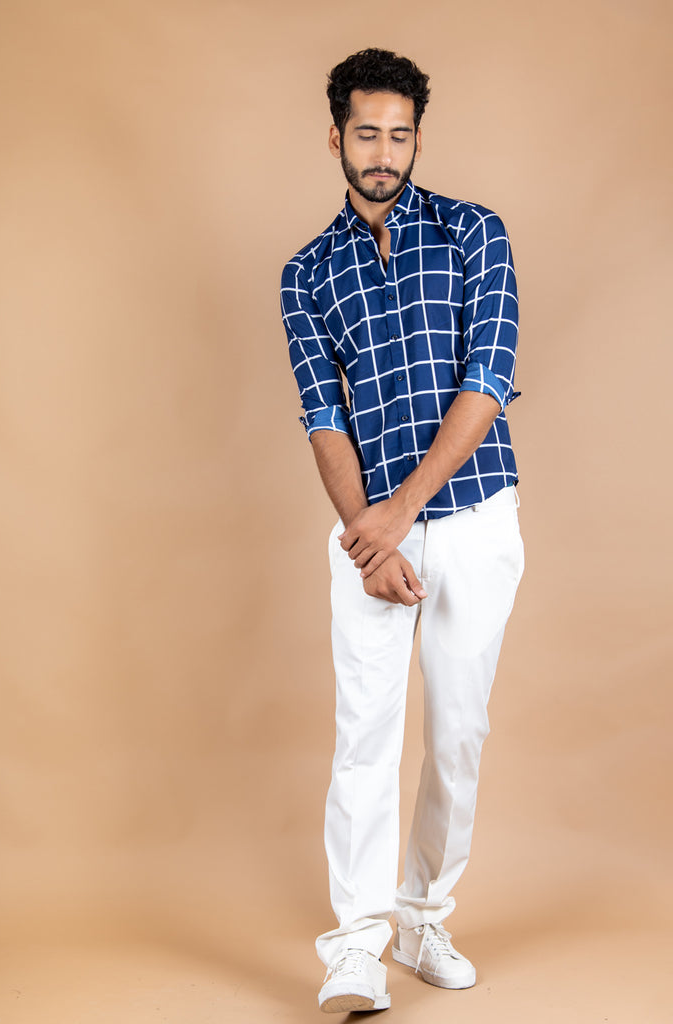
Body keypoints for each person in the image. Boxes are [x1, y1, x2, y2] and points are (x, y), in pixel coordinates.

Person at [279, 48, 525, 1014]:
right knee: (365, 737)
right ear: (334, 137)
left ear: (417, 138)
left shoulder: (475, 232)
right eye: (366, 134)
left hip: (473, 513)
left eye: (400, 134)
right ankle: (354, 947)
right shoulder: (306, 274)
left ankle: (423, 916)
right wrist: (367, 535)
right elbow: (322, 415)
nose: (384, 153)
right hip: (367, 533)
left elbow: (488, 381)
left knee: (459, 733)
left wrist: (398, 515)